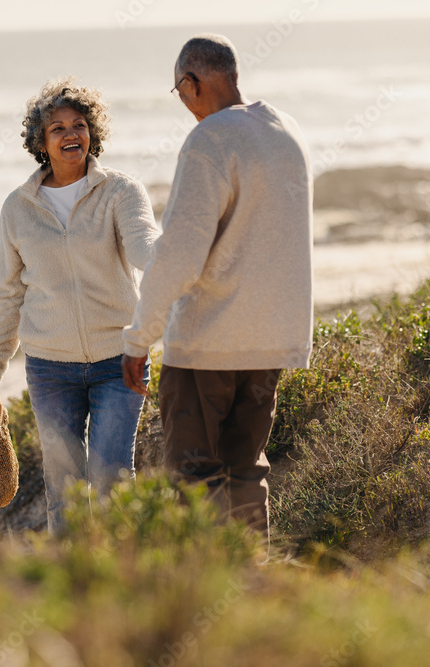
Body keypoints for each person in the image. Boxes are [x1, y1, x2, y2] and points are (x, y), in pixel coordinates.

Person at [121, 34, 314, 540]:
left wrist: (139, 338)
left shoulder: (210, 139)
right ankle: (253, 586)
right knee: (247, 471)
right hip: (270, 337)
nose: (183, 103)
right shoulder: (286, 130)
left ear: (192, 82)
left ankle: (201, 594)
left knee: (193, 478)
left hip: (207, 345)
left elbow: (180, 254)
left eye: (179, 92)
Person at [0, 77, 160, 535]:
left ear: (92, 133)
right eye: (57, 128)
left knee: (110, 479)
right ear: (40, 141)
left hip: (119, 361)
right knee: (64, 488)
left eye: (79, 125)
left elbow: (144, 247)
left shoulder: (121, 192)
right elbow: (6, 292)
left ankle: (123, 580)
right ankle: (75, 586)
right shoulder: (17, 209)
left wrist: (180, 262)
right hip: (49, 368)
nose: (70, 134)